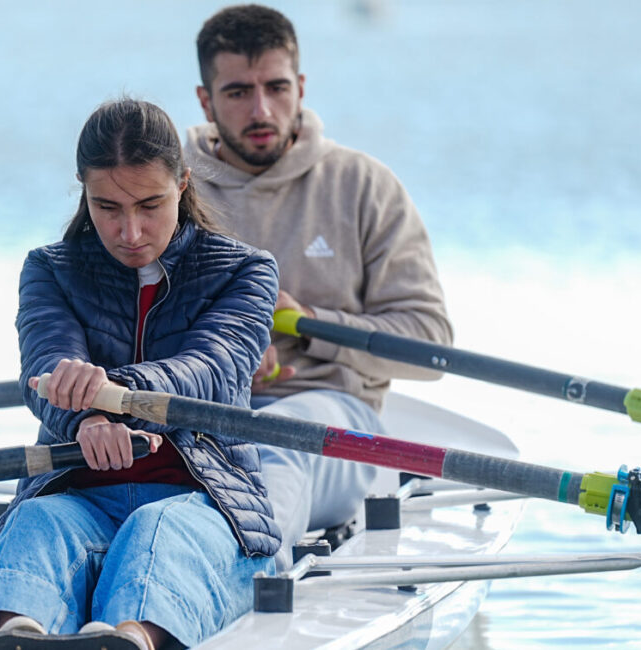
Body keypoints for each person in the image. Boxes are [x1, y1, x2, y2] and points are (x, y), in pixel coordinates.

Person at [0, 98, 281, 650]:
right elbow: (46, 365)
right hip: (80, 496)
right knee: (38, 524)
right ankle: (15, 636)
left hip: (206, 501)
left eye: (150, 205)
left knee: (157, 533)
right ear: (83, 190)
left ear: (183, 183)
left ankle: (132, 640)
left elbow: (213, 369)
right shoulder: (50, 269)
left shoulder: (245, 270)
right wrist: (84, 417)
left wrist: (112, 398)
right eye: (106, 207)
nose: (129, 231)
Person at [186, 5, 454, 571]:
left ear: (301, 87)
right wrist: (215, 358)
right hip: (195, 414)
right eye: (237, 92)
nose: (261, 110)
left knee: (276, 444)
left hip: (336, 420)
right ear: (205, 101)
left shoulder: (363, 186)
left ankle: (242, 580)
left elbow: (431, 345)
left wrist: (308, 327)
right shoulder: (168, 190)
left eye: (276, 88)